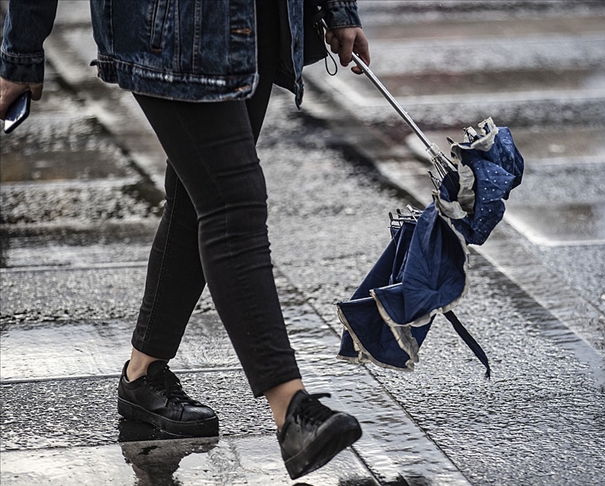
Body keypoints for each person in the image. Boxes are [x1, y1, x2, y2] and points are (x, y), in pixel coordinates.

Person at [0, 0, 371, 479]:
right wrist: (20, 52)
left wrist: (339, 8)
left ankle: (143, 377)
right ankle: (292, 412)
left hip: (255, 25)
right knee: (233, 205)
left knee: (200, 197)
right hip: (170, 29)